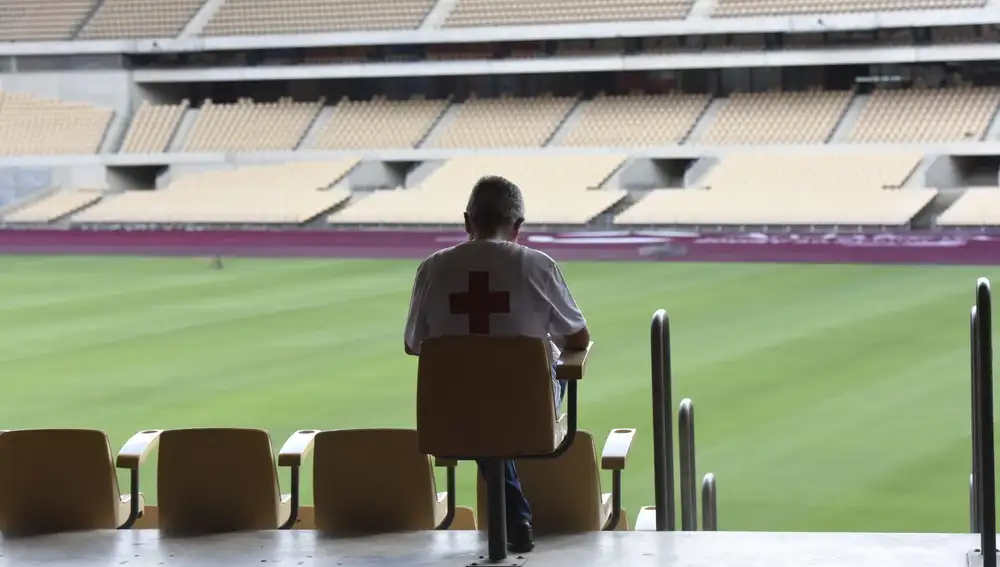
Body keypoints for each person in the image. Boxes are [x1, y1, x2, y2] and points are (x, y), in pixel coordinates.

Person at [403, 175, 590, 553]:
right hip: (528, 410)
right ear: (517, 226)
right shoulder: (538, 266)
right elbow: (579, 340)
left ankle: (517, 515)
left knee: (479, 413)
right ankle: (516, 516)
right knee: (512, 400)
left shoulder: (432, 268)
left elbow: (414, 344)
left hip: (450, 413)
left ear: (467, 221)